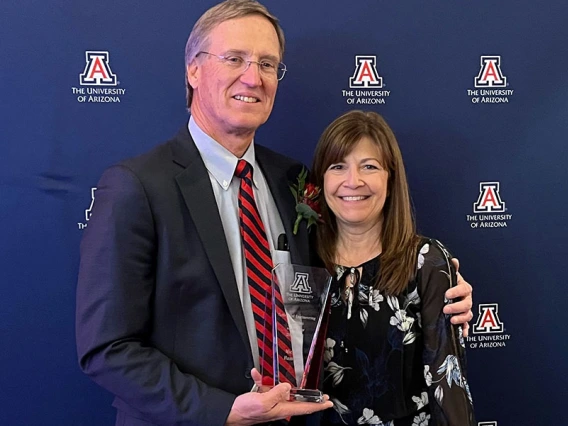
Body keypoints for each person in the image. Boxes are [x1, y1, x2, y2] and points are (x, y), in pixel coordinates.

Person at [75, 1, 473, 425]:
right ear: (193, 70)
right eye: (235, 59)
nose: (253, 77)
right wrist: (223, 410)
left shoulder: (294, 181)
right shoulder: (136, 186)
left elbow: (348, 268)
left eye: (268, 63)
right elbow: (107, 348)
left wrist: (438, 288)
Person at [310, 110, 475, 425]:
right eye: (338, 166)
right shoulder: (302, 262)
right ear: (321, 178)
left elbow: (447, 384)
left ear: (391, 176)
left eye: (369, 166)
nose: (352, 181)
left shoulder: (426, 261)